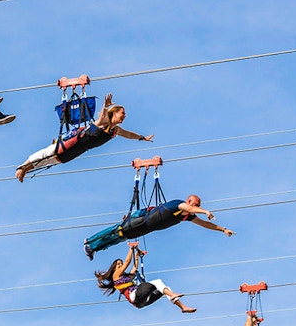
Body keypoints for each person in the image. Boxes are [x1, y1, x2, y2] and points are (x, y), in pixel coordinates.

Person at [15, 93, 153, 182]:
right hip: (75, 140)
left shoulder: (115, 130)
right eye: (122, 113)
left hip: (81, 148)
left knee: (54, 160)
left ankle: (25, 170)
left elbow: (129, 134)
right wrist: (105, 105)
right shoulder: (105, 122)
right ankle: (21, 167)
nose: (124, 116)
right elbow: (102, 116)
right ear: (115, 113)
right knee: (49, 152)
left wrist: (142, 137)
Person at [84, 194, 234, 259]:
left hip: (147, 227)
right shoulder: (179, 204)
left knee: (121, 238)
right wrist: (205, 211)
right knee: (118, 230)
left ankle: (93, 248)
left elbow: (204, 223)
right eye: (195, 205)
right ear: (189, 201)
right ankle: (90, 242)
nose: (195, 208)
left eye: (198, 206)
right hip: (141, 218)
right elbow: (189, 208)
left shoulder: (187, 216)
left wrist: (223, 229)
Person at [94, 244, 194, 313]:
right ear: (114, 268)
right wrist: (131, 248)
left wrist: (136, 256)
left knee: (164, 289)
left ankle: (183, 307)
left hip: (141, 302)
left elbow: (134, 268)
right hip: (134, 296)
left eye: (121, 263)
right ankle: (172, 295)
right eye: (118, 264)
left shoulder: (125, 277)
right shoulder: (116, 275)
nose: (120, 265)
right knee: (157, 282)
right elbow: (127, 262)